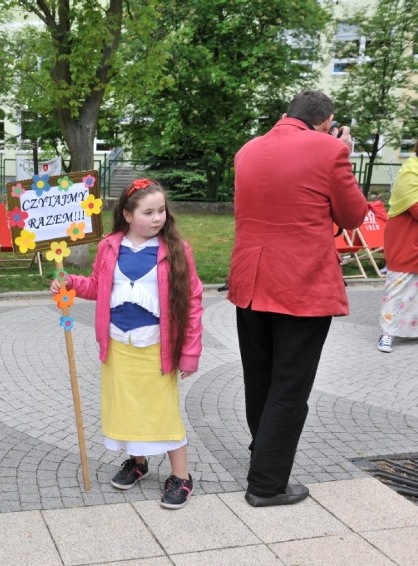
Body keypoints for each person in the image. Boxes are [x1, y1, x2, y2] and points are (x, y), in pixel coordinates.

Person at [228, 90, 369, 507]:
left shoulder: (248, 150)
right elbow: (353, 216)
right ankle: (267, 484)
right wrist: (342, 150)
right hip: (299, 285)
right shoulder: (329, 149)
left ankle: (264, 453)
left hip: (249, 282)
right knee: (290, 385)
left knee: (260, 378)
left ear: (286, 114)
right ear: (327, 121)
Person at [51, 178, 204, 509]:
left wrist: (190, 352)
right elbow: (98, 286)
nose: (157, 218)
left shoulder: (177, 249)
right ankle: (138, 462)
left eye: (161, 210)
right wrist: (71, 282)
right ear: (128, 214)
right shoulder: (110, 246)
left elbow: (192, 301)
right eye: (148, 212)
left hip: (157, 349)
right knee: (126, 408)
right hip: (118, 347)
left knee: (163, 413)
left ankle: (181, 476)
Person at [377, 142, 418, 352]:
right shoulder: (410, 172)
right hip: (406, 241)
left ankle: (412, 331)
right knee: (398, 288)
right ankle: (388, 333)